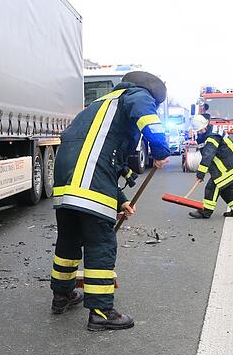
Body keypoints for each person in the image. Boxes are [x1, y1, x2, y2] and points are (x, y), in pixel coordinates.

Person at [50, 71, 170, 331]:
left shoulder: (99, 106)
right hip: (90, 178)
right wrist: (161, 148)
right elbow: (146, 119)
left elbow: (102, 159)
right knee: (100, 242)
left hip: (65, 183)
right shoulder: (135, 95)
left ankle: (61, 295)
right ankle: (101, 312)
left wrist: (120, 200)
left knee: (68, 239)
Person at [188, 114, 233, 219]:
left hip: (228, 168)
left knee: (211, 187)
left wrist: (200, 173)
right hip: (232, 165)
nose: (200, 132)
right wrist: (197, 142)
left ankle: (205, 212)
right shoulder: (212, 130)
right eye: (198, 131)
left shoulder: (212, 137)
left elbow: (208, 155)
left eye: (201, 130)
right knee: (224, 189)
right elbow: (203, 143)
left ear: (205, 126)